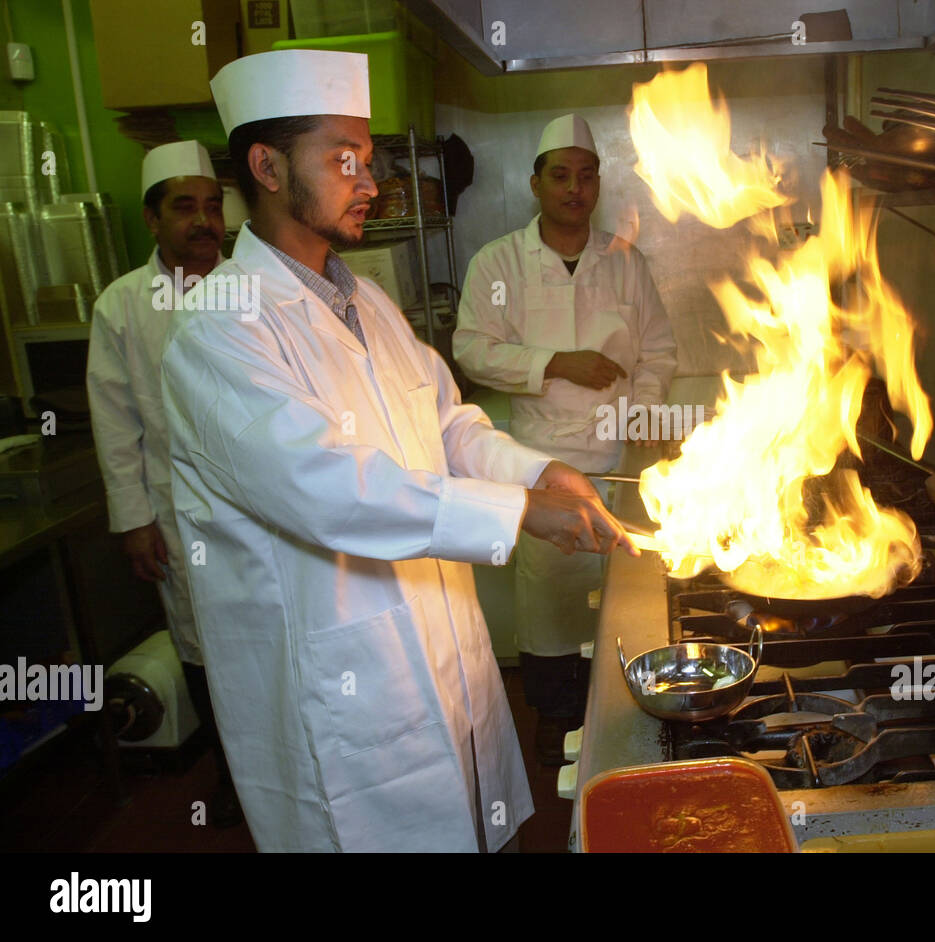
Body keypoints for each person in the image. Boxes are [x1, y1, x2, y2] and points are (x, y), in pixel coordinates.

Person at [160, 49, 633, 852]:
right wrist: (521, 512)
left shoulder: (365, 298)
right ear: (268, 166)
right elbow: (326, 489)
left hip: (443, 651)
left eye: (368, 157)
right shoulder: (219, 329)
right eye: (344, 158)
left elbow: (448, 424)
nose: (372, 181)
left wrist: (539, 470)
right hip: (343, 692)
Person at [453, 114, 677, 764]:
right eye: (560, 176)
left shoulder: (625, 262)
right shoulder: (499, 263)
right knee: (552, 608)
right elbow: (471, 350)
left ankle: (624, 722)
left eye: (586, 177)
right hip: (543, 465)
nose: (574, 189)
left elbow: (659, 350)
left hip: (621, 462)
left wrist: (645, 409)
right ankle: (554, 723)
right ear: (536, 183)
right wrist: (554, 362)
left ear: (597, 185)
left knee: (625, 607)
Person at [85, 140, 242, 827]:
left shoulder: (256, 286)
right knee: (203, 649)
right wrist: (133, 518)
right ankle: (233, 775)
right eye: (186, 207)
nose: (205, 221)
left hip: (261, 511)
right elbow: (115, 422)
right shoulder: (121, 306)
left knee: (275, 644)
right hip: (180, 516)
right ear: (152, 219)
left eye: (214, 207)